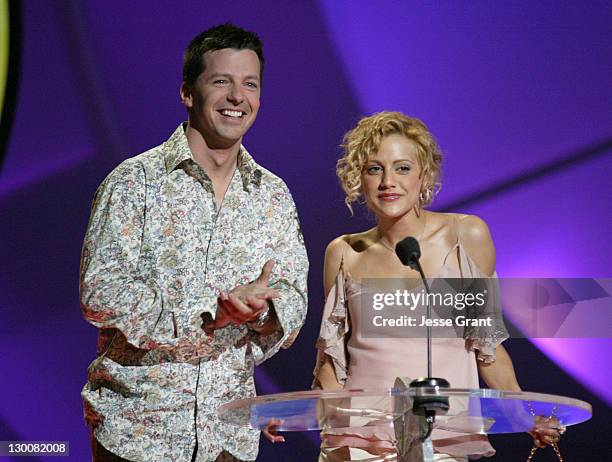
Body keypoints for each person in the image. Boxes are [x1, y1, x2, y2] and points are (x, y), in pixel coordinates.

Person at [80, 24, 308, 462]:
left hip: (229, 436)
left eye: (250, 84)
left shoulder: (273, 195)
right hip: (139, 432)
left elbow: (293, 295)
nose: (237, 96)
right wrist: (209, 315)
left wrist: (262, 313)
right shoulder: (134, 182)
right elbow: (101, 292)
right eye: (221, 81)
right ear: (188, 93)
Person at [311, 112, 563, 461]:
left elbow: (486, 346)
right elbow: (331, 360)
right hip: (359, 441)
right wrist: (310, 421)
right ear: (359, 178)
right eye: (374, 169)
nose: (388, 181)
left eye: (402, 168)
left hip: (442, 437)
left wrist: (524, 415)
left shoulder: (466, 236)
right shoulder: (343, 252)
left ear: (424, 174)